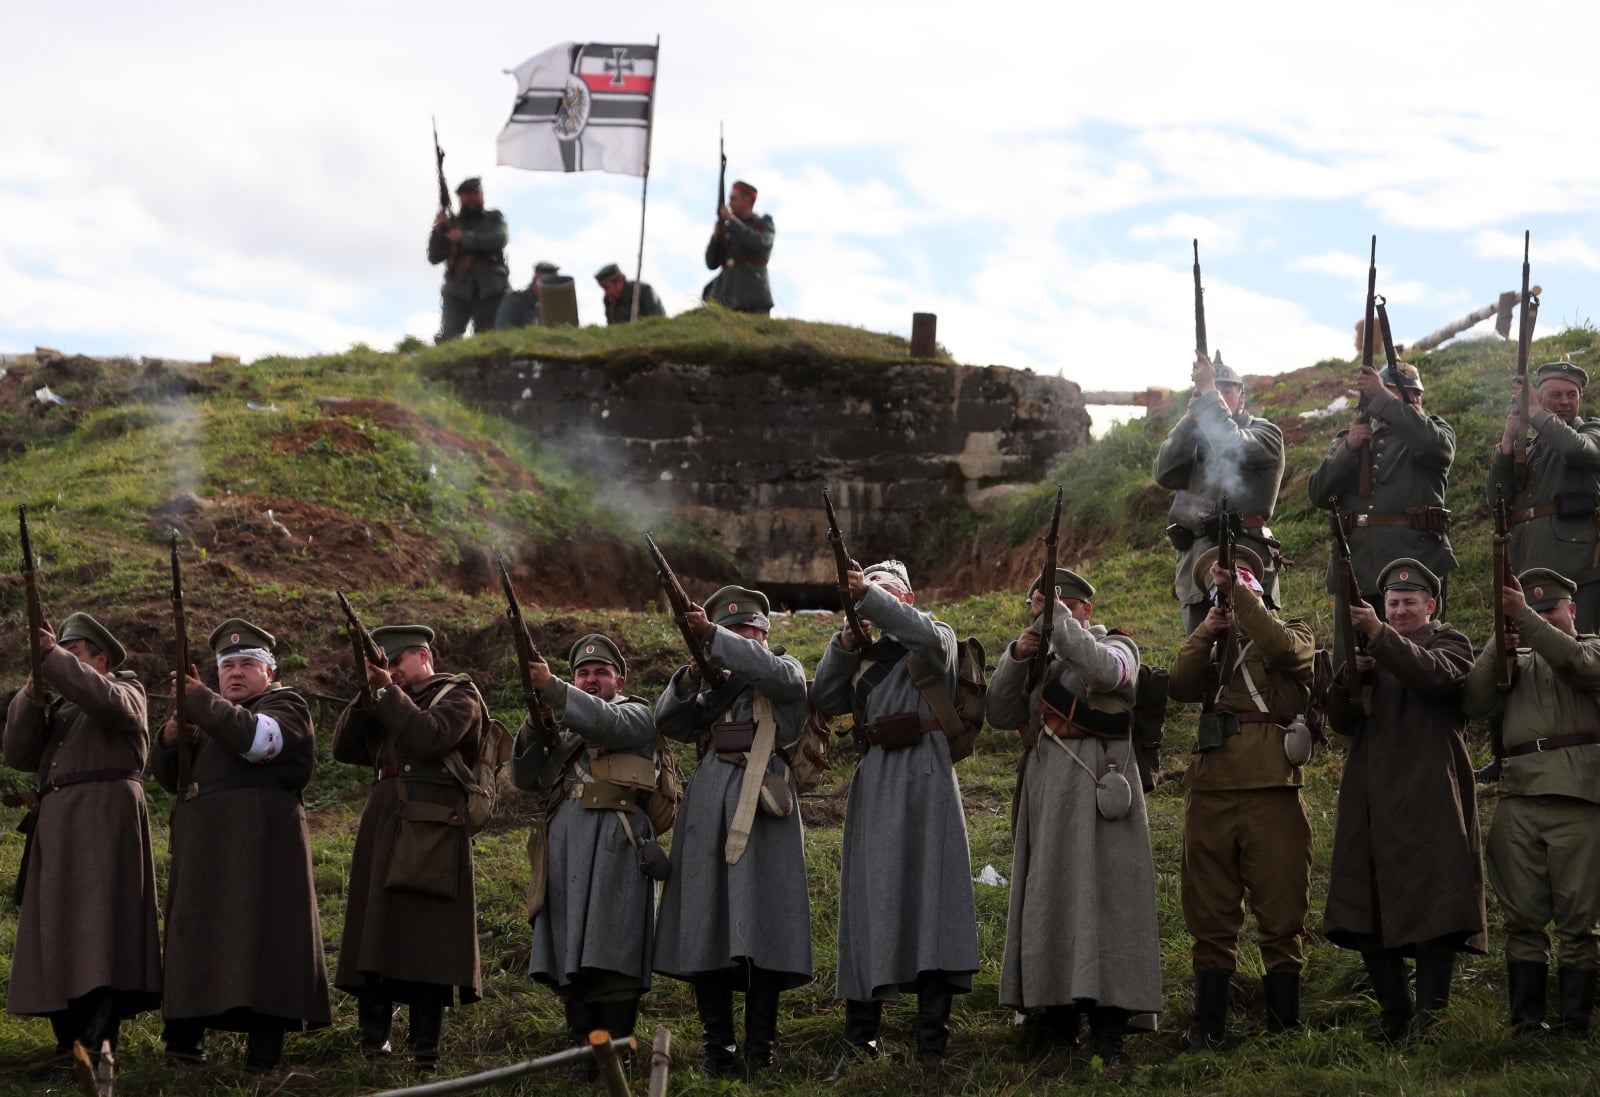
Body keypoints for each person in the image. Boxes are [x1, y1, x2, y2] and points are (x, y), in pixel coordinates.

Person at [811, 560, 978, 1077]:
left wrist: (868, 594)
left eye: (884, 591)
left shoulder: (935, 637)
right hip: (879, 775)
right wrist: (844, 641)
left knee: (935, 897)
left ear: (904, 598)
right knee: (871, 899)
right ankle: (861, 1041)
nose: (872, 597)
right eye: (867, 589)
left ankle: (931, 1046)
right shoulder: (859, 654)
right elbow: (824, 699)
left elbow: (927, 636)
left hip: (928, 772)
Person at [986, 567, 1159, 1064]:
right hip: (1050, 803)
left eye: (1059, 608)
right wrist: (1017, 657)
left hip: (1105, 802)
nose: (1045, 619)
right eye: (1039, 610)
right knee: (1052, 910)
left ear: (1084, 609)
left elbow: (1105, 673)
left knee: (1111, 912)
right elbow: (1000, 714)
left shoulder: (1118, 645)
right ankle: (1058, 1030)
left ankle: (1111, 1034)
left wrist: (1058, 620)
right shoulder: (1039, 663)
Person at [154, 618, 331, 1072]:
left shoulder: (286, 704)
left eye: (247, 664)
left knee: (264, 941)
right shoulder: (211, 713)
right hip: (202, 848)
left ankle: (263, 1055)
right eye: (227, 665)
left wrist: (200, 702)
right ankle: (183, 1044)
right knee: (196, 938)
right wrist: (172, 742)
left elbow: (259, 741)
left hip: (262, 849)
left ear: (269, 672)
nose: (235, 672)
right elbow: (173, 779)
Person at [1322, 559, 1485, 1041]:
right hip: (1369, 794)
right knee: (1367, 906)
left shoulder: (1449, 643)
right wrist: (1353, 675)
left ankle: (1431, 1021)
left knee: (1438, 903)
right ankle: (1394, 1017)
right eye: (1391, 603)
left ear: (1431, 606)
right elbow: (1341, 722)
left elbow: (1435, 678)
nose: (1398, 610)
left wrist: (1379, 637)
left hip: (1431, 790)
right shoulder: (1369, 649)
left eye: (1409, 602)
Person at [653, 587, 811, 1080]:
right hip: (706, 812)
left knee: (762, 927)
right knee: (706, 927)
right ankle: (717, 1049)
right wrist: (694, 673)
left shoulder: (785, 672)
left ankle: (759, 1050)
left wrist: (712, 636)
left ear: (765, 634)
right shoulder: (715, 689)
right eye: (733, 630)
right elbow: (669, 720)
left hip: (765, 809)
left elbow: (767, 671)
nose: (743, 637)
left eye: (750, 631)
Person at [1166, 547, 1314, 1048]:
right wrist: (1207, 629)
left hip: (1273, 786)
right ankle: (1208, 1027)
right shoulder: (1214, 643)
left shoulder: (1292, 630)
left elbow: (1285, 652)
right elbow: (1180, 684)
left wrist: (1244, 600)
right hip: (1210, 789)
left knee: (1281, 908)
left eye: (1238, 588)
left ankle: (1283, 1027)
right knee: (1209, 911)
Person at [3, 614, 161, 1063]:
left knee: (103, 932)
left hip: (104, 823)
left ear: (101, 659)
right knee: (59, 932)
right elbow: (17, 753)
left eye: (73, 655)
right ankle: (67, 1039)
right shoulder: (63, 709)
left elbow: (108, 703)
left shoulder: (127, 690)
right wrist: (32, 693)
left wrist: (51, 656)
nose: (59, 663)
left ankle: (97, 1040)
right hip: (58, 828)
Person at [333, 624, 485, 1069]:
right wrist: (369, 691)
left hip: (434, 819)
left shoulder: (459, 695)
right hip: (386, 817)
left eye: (396, 662)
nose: (392, 671)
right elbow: (343, 747)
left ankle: (425, 1047)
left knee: (429, 936)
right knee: (374, 927)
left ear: (422, 655)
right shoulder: (385, 695)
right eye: (386, 664)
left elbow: (430, 737)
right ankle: (372, 1040)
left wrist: (386, 693)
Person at [512, 634, 658, 1081]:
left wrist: (556, 690)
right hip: (565, 849)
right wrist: (536, 724)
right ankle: (581, 1045)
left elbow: (606, 723)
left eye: (600, 672)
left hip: (616, 845)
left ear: (620, 679)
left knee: (614, 947)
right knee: (569, 946)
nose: (591, 680)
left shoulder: (637, 714)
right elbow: (524, 776)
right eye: (583, 674)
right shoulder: (566, 728)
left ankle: (615, 1048)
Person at [1463, 568, 1600, 1036]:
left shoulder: (1592, 647)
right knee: (1522, 917)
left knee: (1580, 920)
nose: (1542, 617)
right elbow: (1472, 701)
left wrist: (1522, 615)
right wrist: (1496, 643)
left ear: (1572, 610)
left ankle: (1576, 1020)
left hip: (1580, 798)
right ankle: (1526, 1021)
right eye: (1534, 611)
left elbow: (1579, 665)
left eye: (1549, 609)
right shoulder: (1514, 661)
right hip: (1519, 797)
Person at [1309, 360, 1457, 637]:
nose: (1411, 398)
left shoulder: (1433, 431)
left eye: (1414, 393)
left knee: (1413, 655)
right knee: (1353, 663)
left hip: (1412, 562)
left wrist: (1382, 397)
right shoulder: (1352, 437)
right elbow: (1319, 493)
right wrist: (1349, 449)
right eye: (1396, 391)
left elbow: (1434, 448)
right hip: (1357, 564)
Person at [1153, 350, 1286, 634]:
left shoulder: (1266, 433)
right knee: (1200, 654)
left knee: (1252, 654)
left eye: (1226, 391)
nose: (1219, 396)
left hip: (1245, 556)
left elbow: (1231, 443)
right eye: (1215, 391)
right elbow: (1163, 473)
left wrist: (1207, 391)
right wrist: (1189, 421)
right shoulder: (1195, 438)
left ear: (1242, 399)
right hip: (1195, 564)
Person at [1488, 361, 1600, 632]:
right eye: (1555, 395)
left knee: (1578, 643)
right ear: (1539, 396)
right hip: (1526, 560)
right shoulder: (1528, 447)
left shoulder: (1592, 431)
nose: (1564, 401)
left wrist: (1536, 412)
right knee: (1528, 650)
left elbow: (1576, 450)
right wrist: (1507, 444)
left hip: (1575, 565)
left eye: (1571, 395)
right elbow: (1497, 501)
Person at [428, 177, 509, 342]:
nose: (472, 198)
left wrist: (464, 238)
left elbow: (499, 239)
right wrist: (438, 232)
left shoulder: (494, 218)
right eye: (467, 195)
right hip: (458, 290)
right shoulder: (452, 223)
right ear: (460, 198)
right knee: (449, 337)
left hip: (491, 289)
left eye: (475, 193)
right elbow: (434, 257)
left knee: (489, 338)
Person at [703, 180, 774, 315]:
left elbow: (759, 242)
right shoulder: (728, 228)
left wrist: (732, 221)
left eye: (733, 199)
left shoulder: (763, 224)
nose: (730, 204)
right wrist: (716, 238)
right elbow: (711, 263)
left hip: (753, 296)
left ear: (747, 200)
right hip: (725, 293)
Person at [495, 260, 560, 331]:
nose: (549, 288)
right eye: (546, 282)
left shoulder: (553, 305)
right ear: (535, 280)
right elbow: (504, 330)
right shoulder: (515, 300)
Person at [595, 263, 665, 325]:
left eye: (607, 288)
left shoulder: (644, 291)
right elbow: (612, 328)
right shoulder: (609, 301)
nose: (607, 293)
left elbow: (656, 321)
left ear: (620, 281)